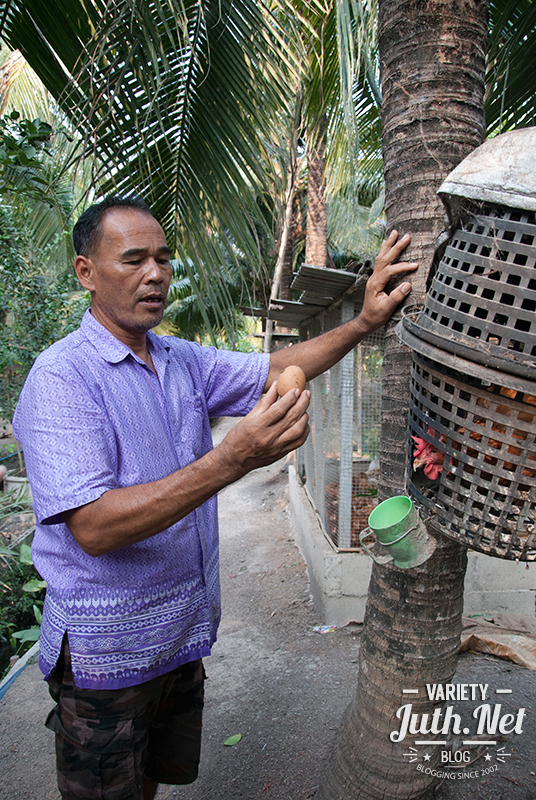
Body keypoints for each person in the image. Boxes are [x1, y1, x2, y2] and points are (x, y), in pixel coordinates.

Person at [12, 195, 417, 800]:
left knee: (152, 778)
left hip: (179, 636)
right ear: (85, 272)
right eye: (133, 260)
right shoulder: (61, 378)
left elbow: (278, 364)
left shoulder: (180, 359)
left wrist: (362, 324)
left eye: (163, 258)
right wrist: (231, 459)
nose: (155, 274)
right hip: (107, 657)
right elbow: (93, 528)